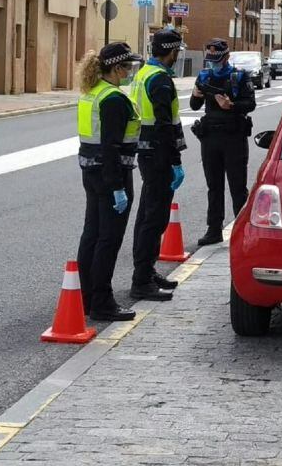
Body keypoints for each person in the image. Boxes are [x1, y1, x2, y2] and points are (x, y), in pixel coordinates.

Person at [76, 42, 141, 322]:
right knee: (108, 240)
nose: (130, 72)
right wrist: (117, 188)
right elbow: (111, 147)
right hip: (111, 175)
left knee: (92, 235)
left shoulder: (93, 93)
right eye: (128, 67)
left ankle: (87, 298)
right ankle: (102, 302)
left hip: (91, 173)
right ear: (116, 68)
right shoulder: (113, 99)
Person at [128, 28, 187, 301]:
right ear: (172, 51)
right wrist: (175, 160)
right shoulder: (161, 80)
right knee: (154, 218)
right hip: (159, 155)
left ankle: (146, 271)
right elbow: (165, 125)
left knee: (147, 215)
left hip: (146, 152)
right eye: (177, 51)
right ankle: (141, 280)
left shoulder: (142, 74)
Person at [190, 38, 256, 246]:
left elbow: (250, 104)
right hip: (210, 137)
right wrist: (195, 94)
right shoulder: (204, 76)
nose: (213, 63)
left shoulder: (239, 76)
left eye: (216, 59)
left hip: (233, 136)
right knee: (214, 186)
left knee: (238, 186)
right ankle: (214, 229)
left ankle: (242, 229)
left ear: (226, 57)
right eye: (210, 59)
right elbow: (194, 105)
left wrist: (232, 105)